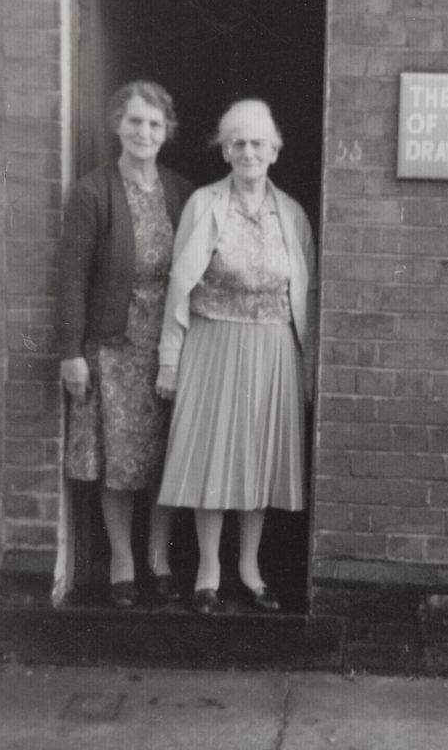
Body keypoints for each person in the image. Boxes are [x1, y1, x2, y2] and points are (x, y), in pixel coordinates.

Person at [157, 99, 317, 615]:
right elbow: (178, 287)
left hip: (273, 347)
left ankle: (250, 567)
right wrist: (170, 360)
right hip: (213, 342)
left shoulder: (291, 214)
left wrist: (309, 369)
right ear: (225, 150)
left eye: (258, 143)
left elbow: (307, 296)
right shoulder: (204, 204)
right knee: (212, 456)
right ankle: (209, 569)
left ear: (274, 150)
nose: (249, 152)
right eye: (239, 143)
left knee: (260, 458)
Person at [57, 82, 195, 606]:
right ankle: (122, 560)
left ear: (167, 132)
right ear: (118, 125)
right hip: (112, 346)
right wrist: (71, 351)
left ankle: (159, 557)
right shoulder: (92, 192)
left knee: (165, 454)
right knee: (119, 457)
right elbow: (72, 278)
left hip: (169, 344)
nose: (144, 132)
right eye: (135, 121)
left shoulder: (180, 192)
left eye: (155, 124)